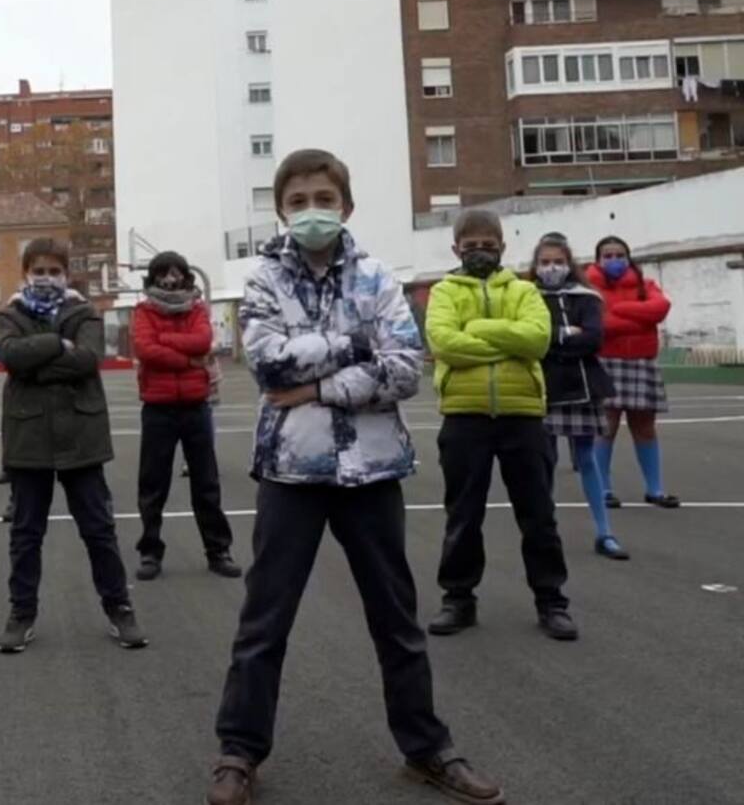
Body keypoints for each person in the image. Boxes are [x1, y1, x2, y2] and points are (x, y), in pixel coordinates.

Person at [207, 150, 503, 805]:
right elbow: (267, 368)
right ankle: (239, 750)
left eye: (324, 197)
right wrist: (353, 344)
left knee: (396, 619)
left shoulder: (378, 278)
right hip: (291, 472)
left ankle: (427, 748)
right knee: (264, 622)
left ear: (346, 204)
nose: (312, 210)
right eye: (298, 200)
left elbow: (405, 368)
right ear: (281, 210)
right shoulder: (262, 282)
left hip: (371, 472)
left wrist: (318, 379)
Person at [425, 208, 576, 642]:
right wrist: (506, 345)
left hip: (523, 417)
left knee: (539, 515)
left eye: (488, 246)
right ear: (456, 249)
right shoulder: (443, 292)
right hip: (464, 416)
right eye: (470, 247)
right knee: (463, 515)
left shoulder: (526, 291)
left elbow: (537, 340)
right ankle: (458, 599)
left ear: (503, 248)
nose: (479, 253)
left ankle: (552, 601)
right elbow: (445, 344)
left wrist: (477, 328)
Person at [0, 238, 147, 654]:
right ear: (25, 273)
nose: (46, 278)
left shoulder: (84, 313)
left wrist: (36, 363)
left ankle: (119, 606)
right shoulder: (10, 313)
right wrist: (57, 346)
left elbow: (88, 359)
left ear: (67, 273)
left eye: (54, 270)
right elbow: (10, 355)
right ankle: (21, 613)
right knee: (26, 534)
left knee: (99, 529)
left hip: (82, 436)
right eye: (38, 270)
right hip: (29, 439)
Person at [132, 250, 240, 581]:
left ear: (186, 275)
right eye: (163, 272)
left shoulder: (198, 308)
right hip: (158, 408)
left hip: (196, 406)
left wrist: (166, 341)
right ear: (152, 277)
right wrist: (188, 359)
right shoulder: (142, 310)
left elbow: (203, 339)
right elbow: (145, 349)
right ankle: (150, 552)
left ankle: (218, 550)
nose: (171, 277)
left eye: (177, 271)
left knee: (206, 483)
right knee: (153, 484)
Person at [531, 233, 629, 561]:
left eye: (558, 262)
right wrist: (562, 335)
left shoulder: (586, 297)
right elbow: (533, 339)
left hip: (584, 387)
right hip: (543, 389)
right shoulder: (527, 297)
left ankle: (605, 532)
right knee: (546, 461)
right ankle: (546, 534)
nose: (552, 268)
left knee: (586, 459)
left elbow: (593, 339)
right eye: (545, 262)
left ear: (569, 263)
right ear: (535, 265)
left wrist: (557, 342)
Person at [587, 236, 680, 509]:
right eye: (608, 255)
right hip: (606, 362)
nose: (614, 260)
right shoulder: (589, 288)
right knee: (606, 428)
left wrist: (620, 310)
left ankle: (655, 489)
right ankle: (602, 489)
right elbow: (599, 323)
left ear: (628, 258)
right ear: (598, 260)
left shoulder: (645, 284)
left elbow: (660, 308)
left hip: (642, 362)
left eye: (619, 255)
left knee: (645, 429)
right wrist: (639, 320)